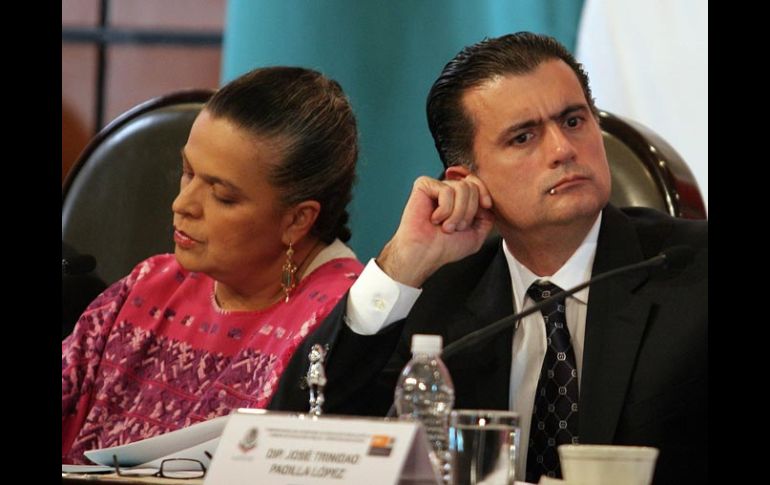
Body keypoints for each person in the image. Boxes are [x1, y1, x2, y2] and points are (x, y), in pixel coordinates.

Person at [270, 33, 707, 485]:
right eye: (523, 137)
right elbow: (296, 433)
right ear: (467, 180)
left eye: (574, 120)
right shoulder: (437, 293)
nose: (562, 149)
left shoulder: (690, 268)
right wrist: (400, 265)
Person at [62, 66, 364, 464]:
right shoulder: (147, 286)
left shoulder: (347, 320)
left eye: (222, 196)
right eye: (187, 173)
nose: (182, 204)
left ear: (297, 220)